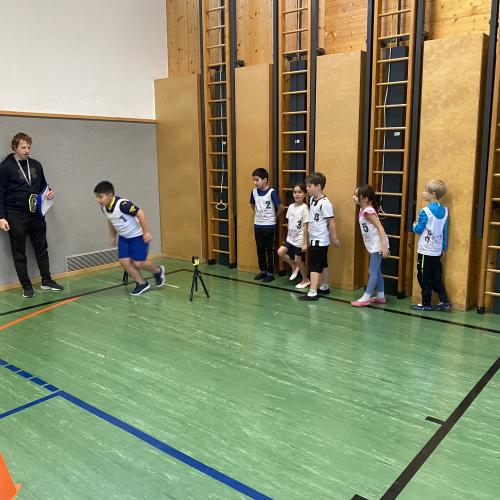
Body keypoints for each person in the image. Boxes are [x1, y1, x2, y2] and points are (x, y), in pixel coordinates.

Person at [0, 132, 63, 298]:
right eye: (23, 147)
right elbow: (0, 193)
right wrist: (1, 217)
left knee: (42, 248)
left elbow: (43, 186)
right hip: (16, 215)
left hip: (36, 214)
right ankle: (26, 286)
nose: (27, 150)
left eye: (28, 147)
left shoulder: (36, 165)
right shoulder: (5, 167)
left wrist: (49, 192)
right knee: (19, 252)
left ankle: (46, 280)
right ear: (14, 147)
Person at [94, 181, 165, 296]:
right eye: (97, 197)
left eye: (100, 197)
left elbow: (140, 214)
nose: (98, 200)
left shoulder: (123, 205)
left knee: (138, 263)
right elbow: (111, 220)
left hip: (137, 236)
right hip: (124, 238)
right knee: (124, 261)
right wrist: (113, 236)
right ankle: (142, 283)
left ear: (110, 195)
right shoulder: (104, 208)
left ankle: (158, 271)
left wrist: (146, 232)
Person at [411, 179, 452, 311]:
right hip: (437, 251)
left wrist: (414, 226)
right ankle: (444, 301)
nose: (423, 193)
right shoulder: (445, 211)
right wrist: (443, 248)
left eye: (425, 191)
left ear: (433, 194)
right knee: (436, 277)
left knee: (423, 277)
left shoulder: (425, 211)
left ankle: (426, 303)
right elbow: (444, 232)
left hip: (425, 251)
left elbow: (418, 229)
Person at [299, 172, 340, 301]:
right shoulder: (312, 199)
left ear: (318, 186)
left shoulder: (325, 204)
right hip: (314, 238)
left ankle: (312, 292)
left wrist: (334, 238)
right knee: (323, 263)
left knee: (314, 266)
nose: (307, 188)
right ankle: (324, 286)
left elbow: (331, 222)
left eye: (309, 186)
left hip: (320, 240)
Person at [351, 184, 389, 307]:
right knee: (377, 270)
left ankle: (366, 297)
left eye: (357, 195)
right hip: (373, 244)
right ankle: (380, 296)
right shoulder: (363, 210)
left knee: (372, 271)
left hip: (378, 244)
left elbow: (380, 227)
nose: (353, 197)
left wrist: (383, 245)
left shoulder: (368, 211)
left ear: (365, 199)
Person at [250, 168, 283, 283]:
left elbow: (280, 208)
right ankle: (263, 270)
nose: (255, 182)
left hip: (269, 226)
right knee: (260, 248)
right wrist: (258, 214)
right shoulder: (254, 192)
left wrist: (273, 217)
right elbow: (252, 205)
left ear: (265, 180)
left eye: (257, 180)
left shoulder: (271, 192)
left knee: (269, 249)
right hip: (258, 225)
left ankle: (270, 272)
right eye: (254, 180)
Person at [277, 183, 310, 289]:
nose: (297, 194)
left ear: (305, 194)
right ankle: (293, 266)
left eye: (299, 192)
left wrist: (304, 243)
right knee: (280, 252)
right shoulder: (291, 206)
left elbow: (305, 227)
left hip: (300, 239)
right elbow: (289, 222)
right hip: (290, 238)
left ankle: (305, 279)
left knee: (298, 260)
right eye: (295, 192)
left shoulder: (305, 208)